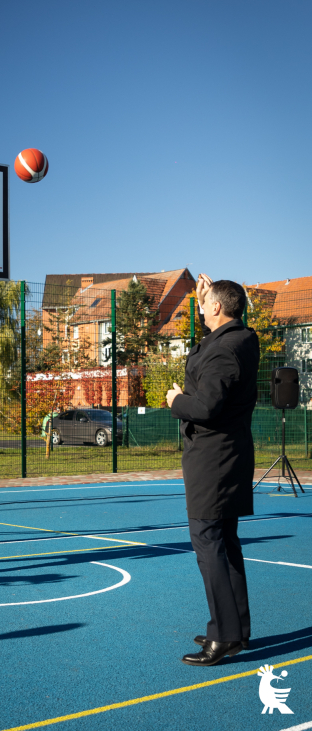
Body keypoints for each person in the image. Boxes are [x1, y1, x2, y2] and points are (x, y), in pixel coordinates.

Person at [166, 275, 259, 666]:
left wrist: (176, 400)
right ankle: (235, 628)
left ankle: (223, 636)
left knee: (209, 544)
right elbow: (205, 354)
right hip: (230, 457)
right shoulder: (240, 339)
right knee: (227, 543)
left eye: (205, 305)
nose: (201, 309)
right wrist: (204, 297)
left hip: (213, 461)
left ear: (218, 308)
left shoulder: (224, 350)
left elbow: (204, 407)